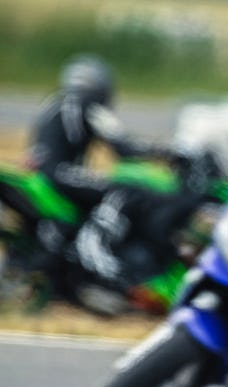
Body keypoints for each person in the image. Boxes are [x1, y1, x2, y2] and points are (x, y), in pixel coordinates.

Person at [25, 54, 207, 290]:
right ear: (99, 85)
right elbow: (123, 146)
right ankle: (97, 251)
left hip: (47, 173)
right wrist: (165, 151)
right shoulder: (86, 103)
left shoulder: (57, 101)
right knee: (125, 190)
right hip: (62, 173)